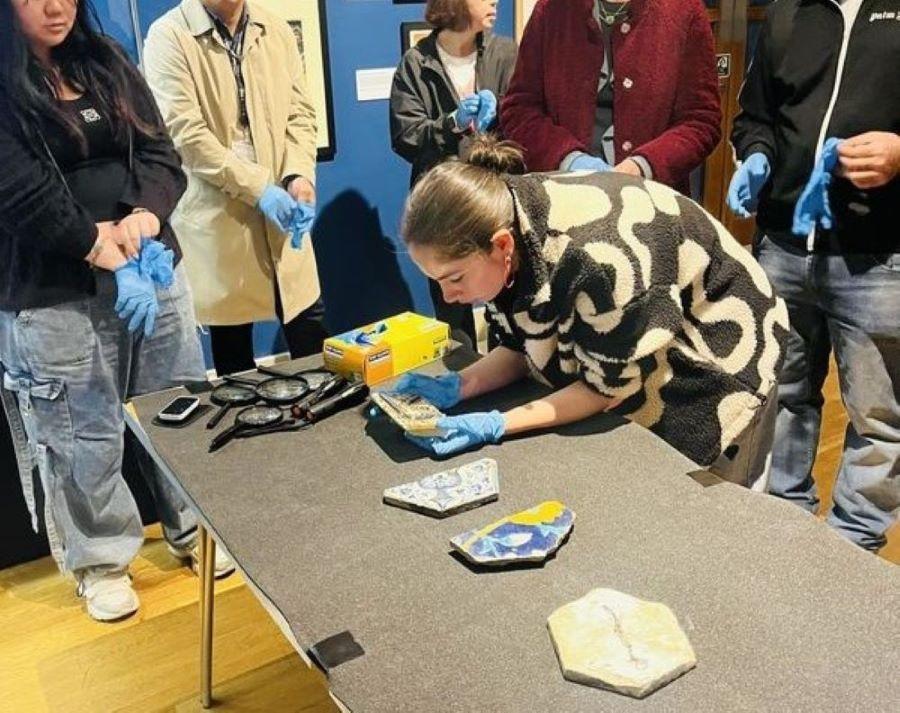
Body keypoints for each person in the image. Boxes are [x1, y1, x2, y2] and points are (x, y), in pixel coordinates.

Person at [0, 0, 231, 622]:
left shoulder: (108, 59)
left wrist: (145, 216)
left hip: (151, 267)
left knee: (175, 407)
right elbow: (17, 189)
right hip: (56, 290)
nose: (56, 7)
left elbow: (161, 154)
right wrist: (96, 245)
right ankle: (100, 561)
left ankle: (194, 528)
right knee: (81, 435)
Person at [392, 137, 788, 488]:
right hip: (636, 329)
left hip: (720, 353)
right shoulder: (502, 218)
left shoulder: (598, 257)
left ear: (501, 245)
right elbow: (521, 343)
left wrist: (498, 423)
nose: (448, 295)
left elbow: (607, 388)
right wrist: (462, 385)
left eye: (454, 278)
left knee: (718, 516)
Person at [728, 0, 899, 551]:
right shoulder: (789, 13)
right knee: (782, 396)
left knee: (879, 421)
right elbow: (756, 116)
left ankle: (853, 552)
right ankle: (784, 533)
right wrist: (754, 156)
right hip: (782, 245)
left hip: (879, 258)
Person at [144, 0, 326, 377]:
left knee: (310, 334)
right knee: (234, 356)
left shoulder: (274, 29)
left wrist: (298, 176)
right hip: (219, 216)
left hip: (282, 211)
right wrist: (259, 188)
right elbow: (186, 134)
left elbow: (300, 114)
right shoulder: (169, 35)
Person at [390, 0, 517, 347]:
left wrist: (502, 113)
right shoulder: (417, 63)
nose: (494, 1)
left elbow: (525, 121)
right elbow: (405, 137)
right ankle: (464, 377)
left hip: (497, 196)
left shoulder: (505, 53)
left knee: (507, 297)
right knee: (452, 306)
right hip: (443, 203)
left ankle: (507, 373)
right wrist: (451, 123)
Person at [501, 0, 721, 196]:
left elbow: (701, 120)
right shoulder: (552, 9)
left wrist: (644, 166)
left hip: (651, 207)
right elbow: (519, 110)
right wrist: (569, 160)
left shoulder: (685, 11)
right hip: (561, 200)